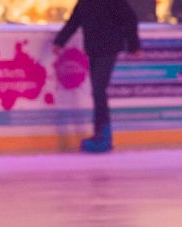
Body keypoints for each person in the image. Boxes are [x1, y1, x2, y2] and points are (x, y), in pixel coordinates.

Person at [53, 0, 141, 153]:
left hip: (109, 48)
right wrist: (60, 42)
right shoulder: (85, 2)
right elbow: (74, 21)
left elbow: (130, 19)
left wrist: (134, 45)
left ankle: (104, 136)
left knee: (99, 90)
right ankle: (100, 133)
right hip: (94, 49)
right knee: (97, 91)